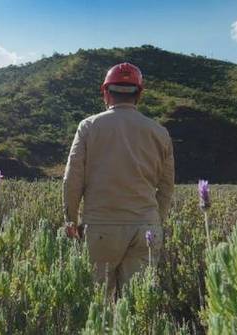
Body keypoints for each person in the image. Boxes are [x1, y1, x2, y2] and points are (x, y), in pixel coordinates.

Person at [63, 62, 175, 294]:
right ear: (139, 94)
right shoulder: (160, 133)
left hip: (101, 228)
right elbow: (166, 187)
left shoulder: (88, 127)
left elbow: (72, 179)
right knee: (136, 307)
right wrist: (156, 221)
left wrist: (71, 220)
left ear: (106, 92)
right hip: (146, 228)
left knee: (98, 308)